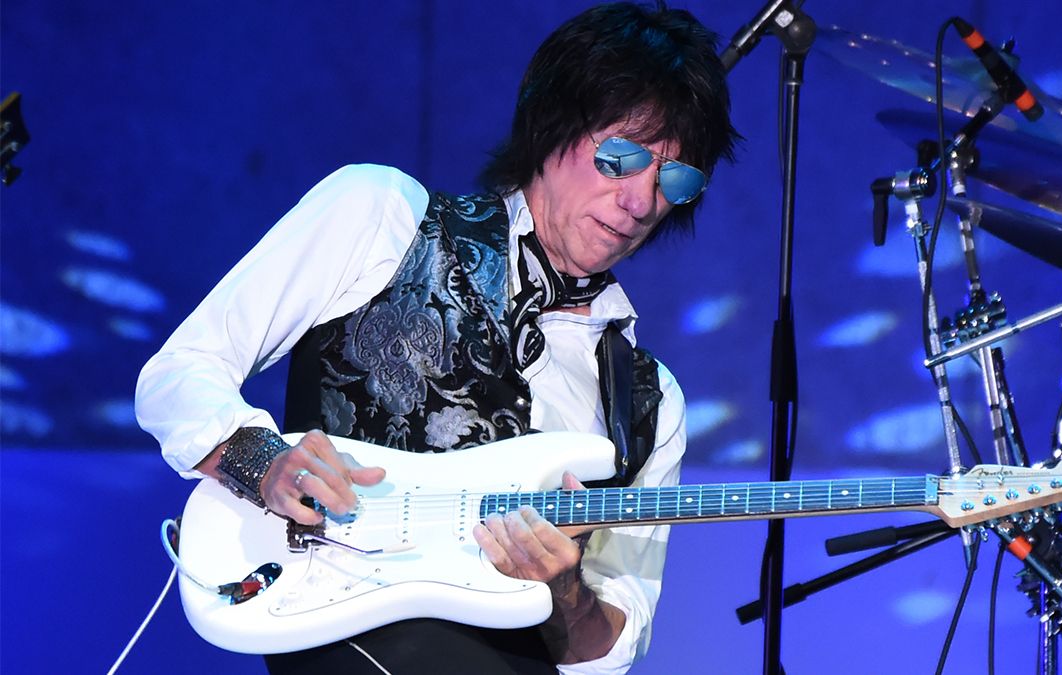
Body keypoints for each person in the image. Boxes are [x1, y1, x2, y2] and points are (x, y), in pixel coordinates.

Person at [136, 2, 737, 673]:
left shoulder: (650, 401)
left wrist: (564, 589)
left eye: (675, 179)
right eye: (619, 158)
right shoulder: (381, 217)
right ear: (549, 128)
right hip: (341, 633)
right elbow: (179, 373)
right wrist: (264, 462)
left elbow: (609, 651)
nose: (641, 200)